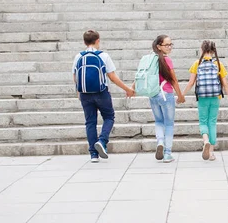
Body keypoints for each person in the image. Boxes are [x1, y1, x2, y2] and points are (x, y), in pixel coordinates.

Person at [72, 30, 135, 163]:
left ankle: (93, 155)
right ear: (98, 40)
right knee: (109, 117)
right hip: (101, 92)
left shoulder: (78, 56)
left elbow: (75, 76)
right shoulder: (103, 56)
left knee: (90, 122)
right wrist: (127, 89)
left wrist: (79, 92)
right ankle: (102, 141)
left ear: (84, 42)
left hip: (84, 93)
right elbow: (112, 77)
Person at [182, 40, 228, 161]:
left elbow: (191, 83)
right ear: (214, 50)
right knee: (212, 123)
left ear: (202, 49)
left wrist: (182, 95)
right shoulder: (218, 64)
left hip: (202, 97)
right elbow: (225, 84)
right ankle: (211, 153)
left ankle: (205, 140)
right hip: (215, 97)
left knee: (203, 122)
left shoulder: (197, 63)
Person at [149, 35, 185, 162]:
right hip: (166, 94)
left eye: (171, 44)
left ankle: (160, 141)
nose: (169, 47)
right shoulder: (167, 60)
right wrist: (180, 95)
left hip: (153, 94)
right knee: (169, 124)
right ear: (159, 46)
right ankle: (167, 153)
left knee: (159, 121)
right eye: (167, 45)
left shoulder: (151, 59)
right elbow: (173, 79)